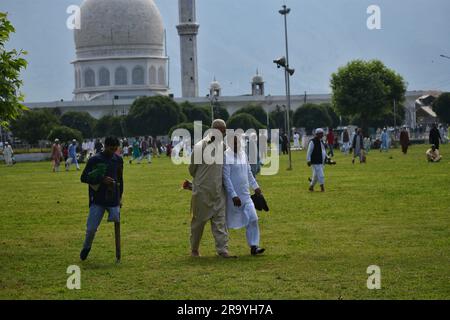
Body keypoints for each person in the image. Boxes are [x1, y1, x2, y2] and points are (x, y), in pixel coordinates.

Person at [188, 119, 233, 258]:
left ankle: (222, 250)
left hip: (219, 192)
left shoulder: (224, 147)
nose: (225, 133)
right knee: (198, 223)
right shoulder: (200, 146)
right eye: (223, 130)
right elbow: (192, 169)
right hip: (202, 192)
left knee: (220, 222)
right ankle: (194, 249)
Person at [79, 136, 124, 261]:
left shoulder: (118, 160)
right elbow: (83, 178)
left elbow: (120, 179)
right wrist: (101, 179)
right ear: (105, 146)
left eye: (115, 149)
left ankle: (118, 254)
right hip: (98, 198)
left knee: (115, 216)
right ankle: (86, 247)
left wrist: (120, 197)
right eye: (111, 148)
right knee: (91, 228)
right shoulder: (94, 160)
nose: (113, 151)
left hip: (113, 197)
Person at [223, 135, 265, 256]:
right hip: (233, 198)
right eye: (234, 143)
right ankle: (222, 248)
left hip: (246, 195)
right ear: (229, 144)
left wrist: (255, 186)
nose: (237, 146)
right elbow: (226, 178)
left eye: (238, 143)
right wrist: (233, 195)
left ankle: (254, 246)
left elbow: (248, 172)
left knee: (253, 218)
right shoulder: (226, 156)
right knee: (226, 223)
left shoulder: (243, 154)